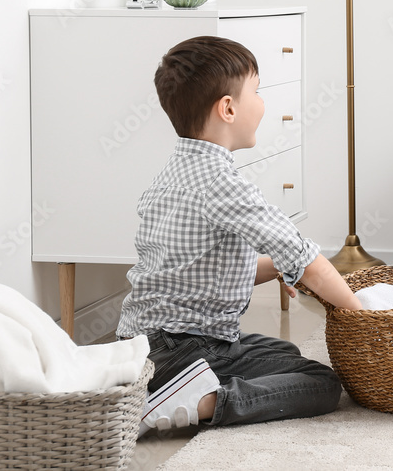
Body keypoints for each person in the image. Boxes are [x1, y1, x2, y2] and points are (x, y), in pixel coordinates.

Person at [117, 35, 361, 435]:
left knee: (284, 352)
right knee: (322, 383)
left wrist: (278, 270)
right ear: (228, 108)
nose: (263, 103)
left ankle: (173, 385)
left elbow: (202, 272)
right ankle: (202, 401)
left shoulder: (173, 173)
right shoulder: (223, 184)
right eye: (257, 92)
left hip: (144, 343)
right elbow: (306, 261)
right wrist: (365, 316)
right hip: (185, 346)